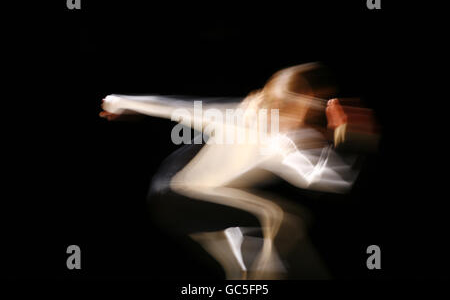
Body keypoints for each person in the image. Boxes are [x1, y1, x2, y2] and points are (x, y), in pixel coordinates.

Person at [100, 62, 379, 279]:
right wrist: (350, 138)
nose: (301, 123)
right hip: (185, 196)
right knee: (282, 218)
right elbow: (322, 180)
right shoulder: (266, 130)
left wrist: (118, 101)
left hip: (180, 202)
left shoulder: (266, 128)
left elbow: (173, 106)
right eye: (300, 113)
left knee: (250, 268)